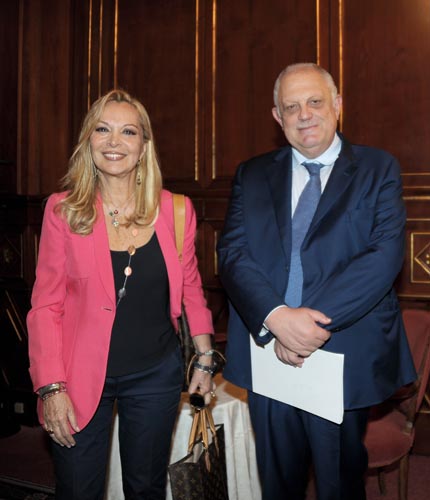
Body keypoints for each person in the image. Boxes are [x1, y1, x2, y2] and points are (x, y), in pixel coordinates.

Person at [217, 63, 416, 500]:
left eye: (314, 102)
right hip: (267, 351)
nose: (304, 114)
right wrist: (277, 319)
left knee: (338, 483)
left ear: (337, 105)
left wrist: (305, 327)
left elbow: (383, 258)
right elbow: (232, 255)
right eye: (291, 107)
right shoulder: (251, 174)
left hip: (341, 350)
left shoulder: (378, 168)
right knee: (278, 483)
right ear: (277, 117)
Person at [27, 89, 216, 500]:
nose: (115, 142)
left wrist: (204, 359)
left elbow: (191, 290)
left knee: (145, 489)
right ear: (88, 140)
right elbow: (45, 307)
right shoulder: (63, 211)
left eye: (128, 131)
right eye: (103, 130)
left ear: (144, 145)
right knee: (77, 490)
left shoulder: (176, 210)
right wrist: (51, 387)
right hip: (77, 378)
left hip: (154, 375)